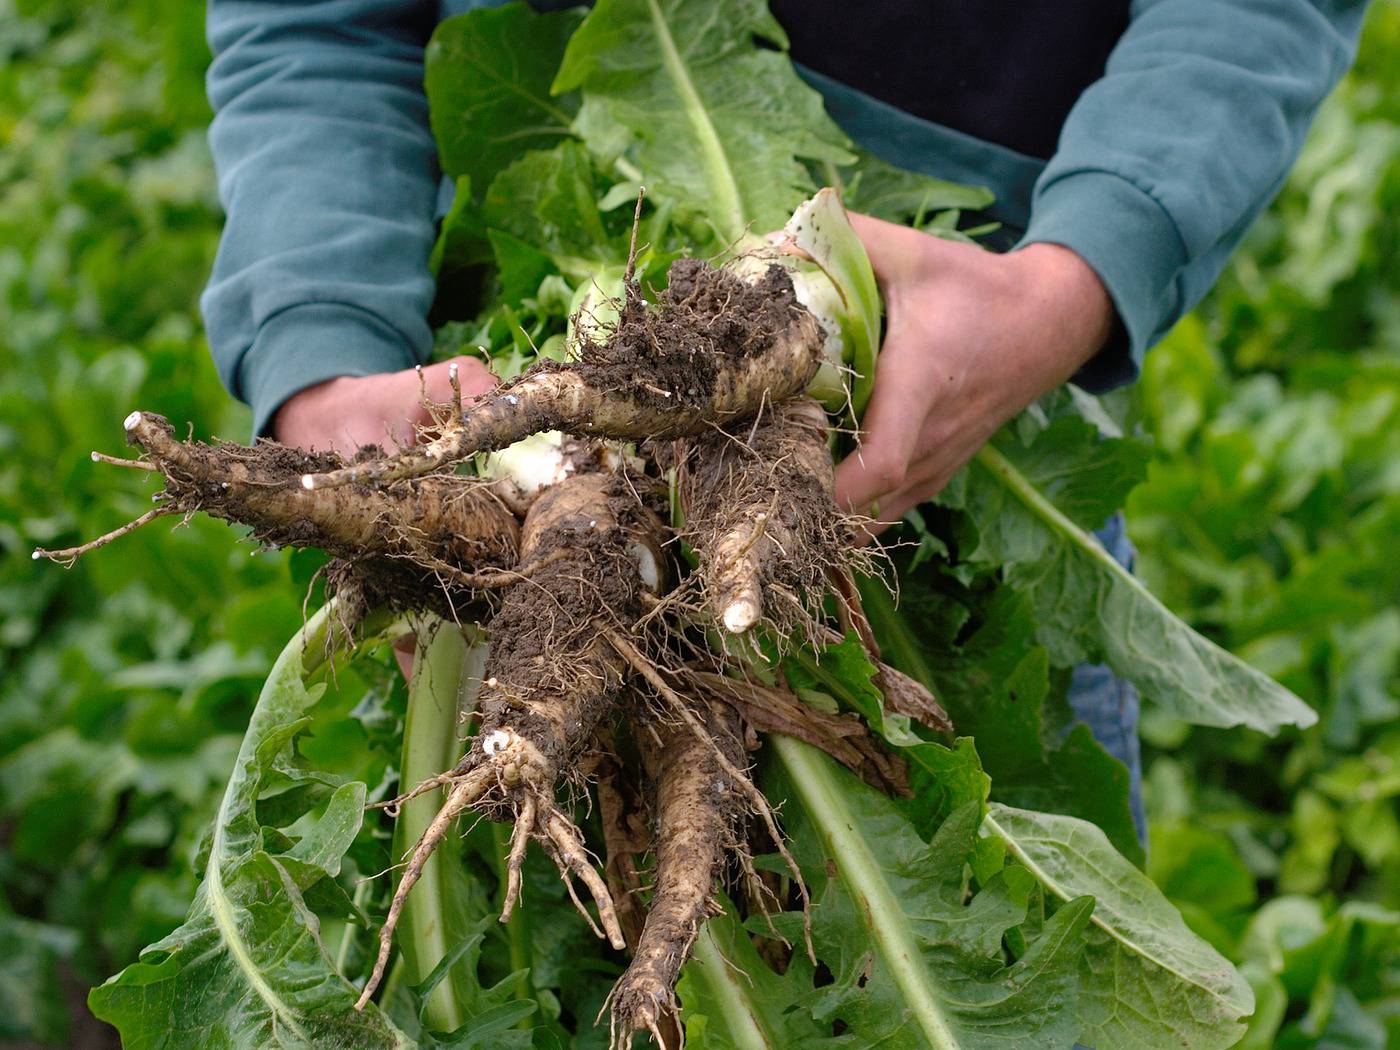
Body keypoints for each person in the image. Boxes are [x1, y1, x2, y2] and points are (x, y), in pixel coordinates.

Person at [201, 0, 1369, 837]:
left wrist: (1072, 279)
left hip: (963, 466)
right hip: (497, 542)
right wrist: (321, 354)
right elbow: (313, 21)